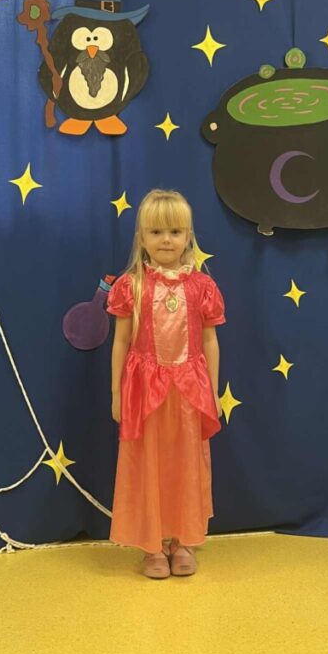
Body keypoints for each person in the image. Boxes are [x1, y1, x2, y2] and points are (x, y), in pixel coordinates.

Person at [106, 188, 226, 579]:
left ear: (189, 236)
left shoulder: (202, 286)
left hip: (189, 391)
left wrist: (213, 390)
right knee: (149, 463)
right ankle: (152, 544)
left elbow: (210, 341)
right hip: (144, 390)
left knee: (185, 463)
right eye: (156, 232)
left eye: (175, 232)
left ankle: (183, 540)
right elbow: (121, 341)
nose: (166, 241)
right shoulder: (131, 286)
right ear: (141, 238)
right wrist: (116, 393)